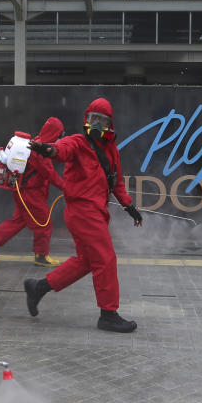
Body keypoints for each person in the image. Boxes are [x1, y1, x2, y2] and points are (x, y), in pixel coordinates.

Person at [24, 98, 144, 333]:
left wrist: (129, 207)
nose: (96, 124)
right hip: (83, 212)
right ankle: (108, 315)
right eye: (93, 119)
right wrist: (49, 149)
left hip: (95, 213)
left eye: (102, 120)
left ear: (110, 124)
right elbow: (61, 149)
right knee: (106, 258)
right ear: (86, 120)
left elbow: (116, 182)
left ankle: (38, 287)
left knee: (87, 261)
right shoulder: (78, 143)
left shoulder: (111, 151)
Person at [0, 117, 66, 268]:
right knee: (44, 222)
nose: (60, 138)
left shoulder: (36, 142)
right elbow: (50, 175)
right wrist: (68, 188)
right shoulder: (40, 152)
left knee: (18, 221)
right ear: (54, 134)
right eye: (60, 135)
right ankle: (41, 256)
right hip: (31, 194)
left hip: (22, 191)